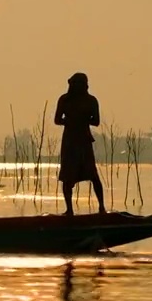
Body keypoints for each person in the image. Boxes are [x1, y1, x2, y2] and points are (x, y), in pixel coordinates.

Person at [54, 72, 106, 216]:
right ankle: (69, 210)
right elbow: (57, 119)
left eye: (80, 84)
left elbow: (96, 121)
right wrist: (70, 121)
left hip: (84, 141)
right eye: (74, 84)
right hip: (70, 142)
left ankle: (102, 208)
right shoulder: (64, 100)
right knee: (67, 177)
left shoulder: (91, 101)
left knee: (93, 175)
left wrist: (83, 119)